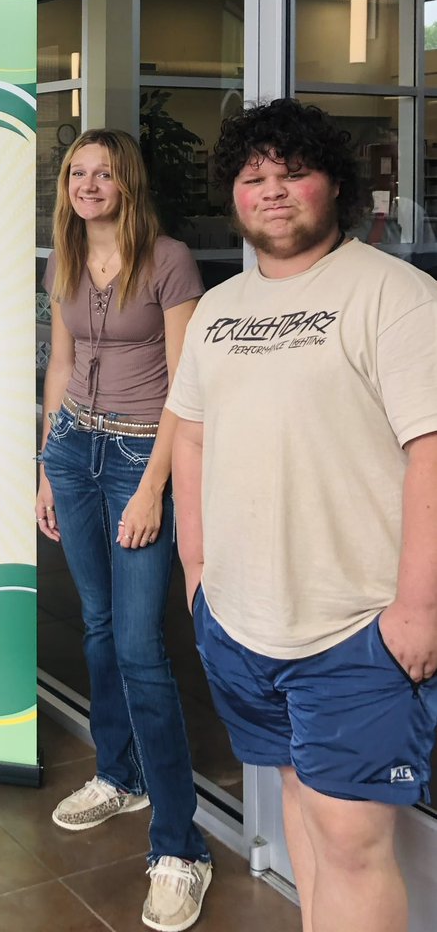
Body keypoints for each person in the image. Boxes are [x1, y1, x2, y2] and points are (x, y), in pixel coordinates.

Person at [168, 98, 437, 932]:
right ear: (233, 194)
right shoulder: (218, 310)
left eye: (293, 174)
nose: (272, 191)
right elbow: (192, 444)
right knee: (299, 811)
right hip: (241, 622)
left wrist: (418, 608)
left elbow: (430, 450)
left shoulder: (394, 294)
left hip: (354, 626)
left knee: (351, 840)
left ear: (335, 187)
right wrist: (196, 578)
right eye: (254, 177)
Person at [35, 130, 212, 931]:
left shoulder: (169, 259)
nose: (88, 184)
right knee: (99, 628)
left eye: (103, 172)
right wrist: (44, 463)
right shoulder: (65, 257)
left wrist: (153, 489)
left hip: (142, 453)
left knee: (141, 647)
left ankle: (179, 847)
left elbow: (188, 384)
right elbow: (60, 364)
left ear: (127, 182)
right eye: (78, 172)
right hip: (74, 451)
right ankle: (119, 774)